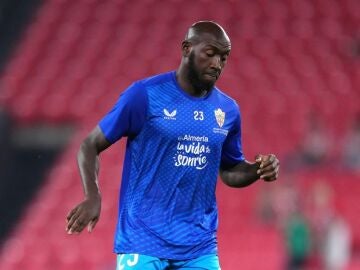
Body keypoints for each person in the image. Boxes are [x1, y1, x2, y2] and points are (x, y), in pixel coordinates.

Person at [66, 21, 280, 270]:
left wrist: (256, 170)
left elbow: (230, 170)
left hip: (198, 246)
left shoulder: (227, 110)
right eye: (210, 54)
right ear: (187, 48)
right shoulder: (145, 95)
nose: (217, 64)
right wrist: (93, 195)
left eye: (224, 57)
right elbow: (90, 145)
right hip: (142, 240)